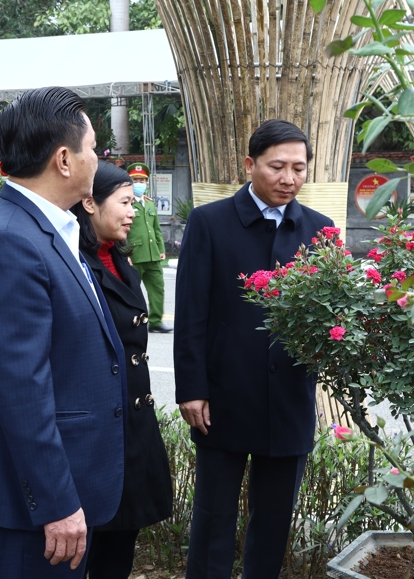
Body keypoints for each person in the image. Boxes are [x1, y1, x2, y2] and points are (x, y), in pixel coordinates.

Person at [0, 87, 127, 578]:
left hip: (60, 489)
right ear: (65, 159)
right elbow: (20, 389)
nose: (98, 159)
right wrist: (56, 502)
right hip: (33, 504)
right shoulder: (11, 240)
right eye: (93, 148)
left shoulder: (48, 228)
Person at [173, 119, 334, 579]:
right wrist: (192, 389)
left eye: (299, 169)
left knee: (274, 521)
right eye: (277, 167)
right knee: (213, 518)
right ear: (250, 164)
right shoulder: (210, 223)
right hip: (223, 397)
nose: (289, 179)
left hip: (288, 400)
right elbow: (191, 315)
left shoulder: (320, 231)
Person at [69, 161, 173, 579]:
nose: (133, 211)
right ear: (90, 203)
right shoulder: (75, 262)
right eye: (125, 202)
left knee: (118, 554)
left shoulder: (119, 259)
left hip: (131, 430)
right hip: (99, 437)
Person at [125, 162, 172, 333]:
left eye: (142, 180)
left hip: (152, 256)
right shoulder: (125, 203)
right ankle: (133, 322)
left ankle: (155, 321)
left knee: (157, 289)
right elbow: (121, 229)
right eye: (135, 179)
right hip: (134, 256)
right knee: (132, 292)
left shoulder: (149, 203)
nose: (139, 183)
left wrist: (161, 249)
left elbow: (156, 229)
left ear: (147, 183)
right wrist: (125, 253)